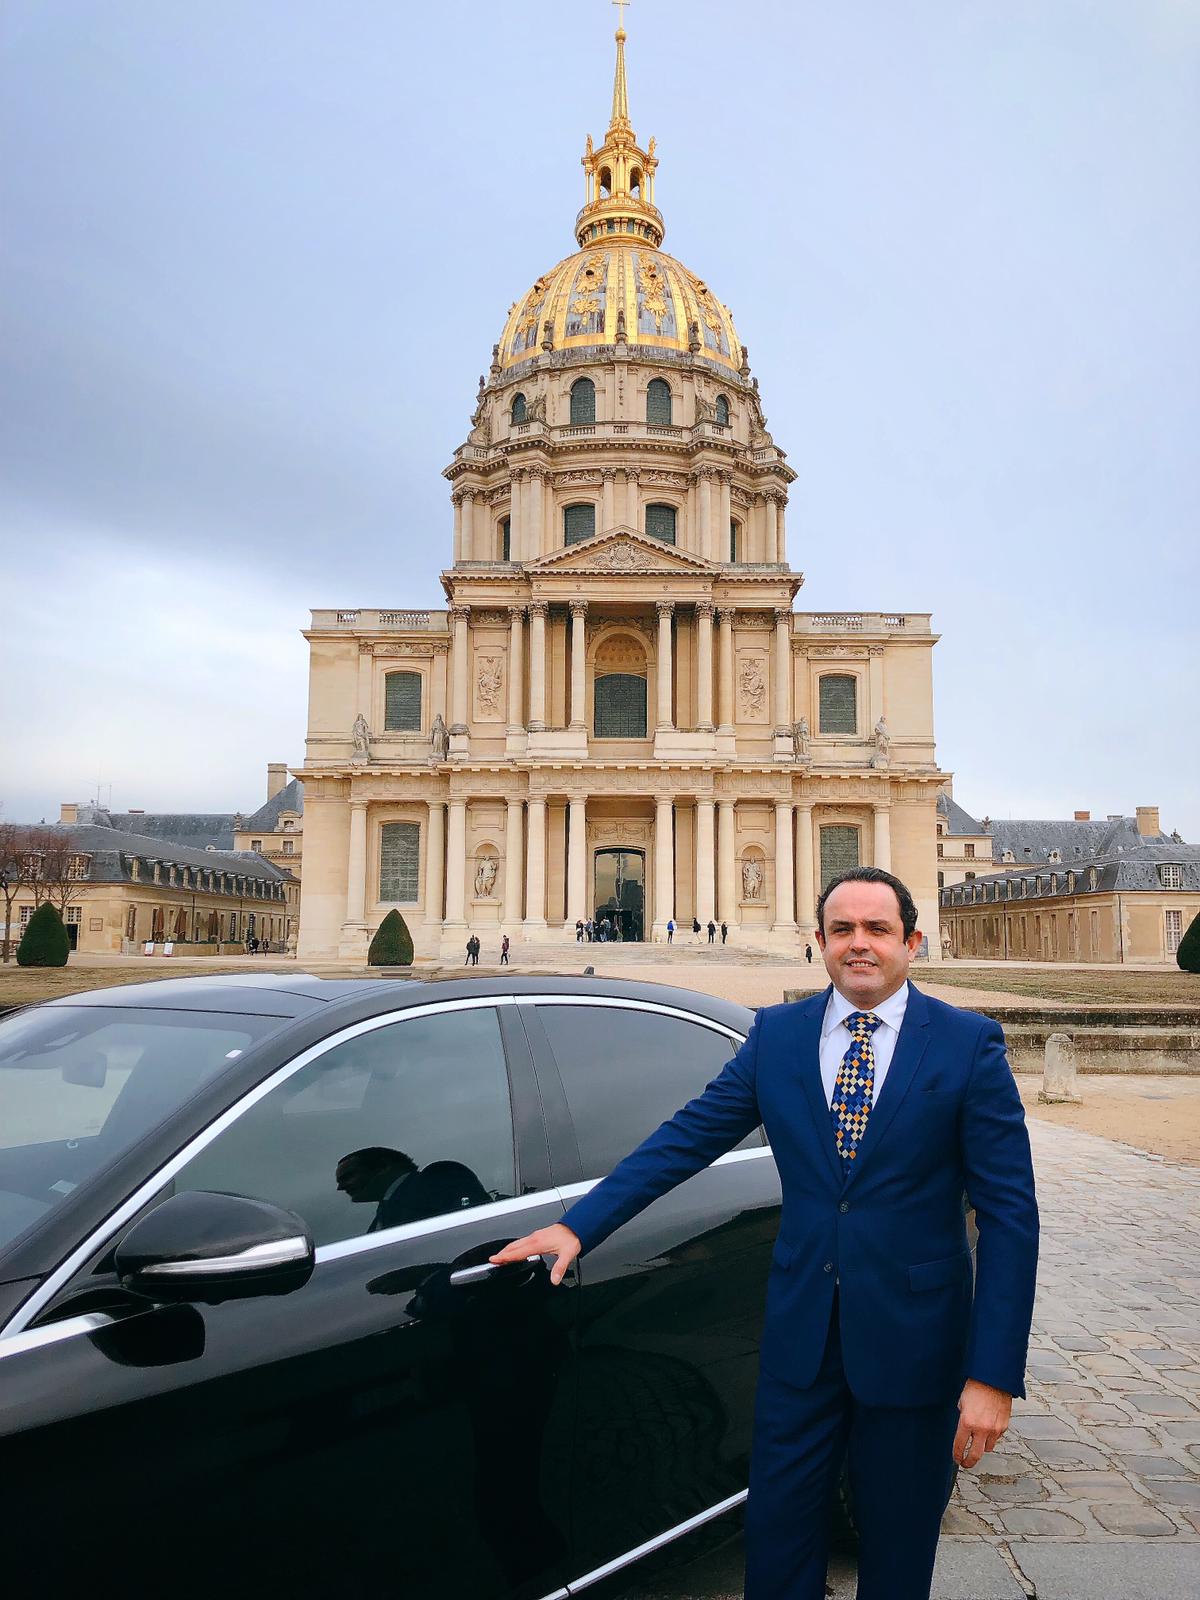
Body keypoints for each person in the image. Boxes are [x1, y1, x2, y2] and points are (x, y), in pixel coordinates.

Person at [490, 866, 1039, 1600]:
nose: (859, 945)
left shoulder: (969, 1045)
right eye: (842, 930)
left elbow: (1010, 1216)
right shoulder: (777, 1035)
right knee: (777, 1546)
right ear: (819, 943)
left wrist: (993, 1374)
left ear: (912, 942)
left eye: (877, 929)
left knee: (897, 1552)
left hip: (918, 1345)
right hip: (798, 1343)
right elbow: (686, 1138)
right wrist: (578, 1228)